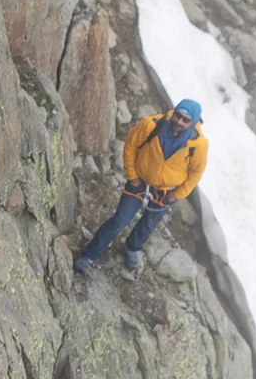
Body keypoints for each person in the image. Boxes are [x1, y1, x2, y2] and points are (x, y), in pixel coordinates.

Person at [74, 100, 208, 274]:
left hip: (166, 191)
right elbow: (131, 145)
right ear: (173, 112)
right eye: (178, 116)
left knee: (147, 226)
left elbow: (196, 173)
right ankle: (90, 254)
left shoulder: (198, 145)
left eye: (185, 120)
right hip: (140, 181)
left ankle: (132, 248)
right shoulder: (151, 125)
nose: (179, 122)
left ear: (194, 122)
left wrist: (177, 195)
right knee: (119, 220)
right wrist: (133, 176)